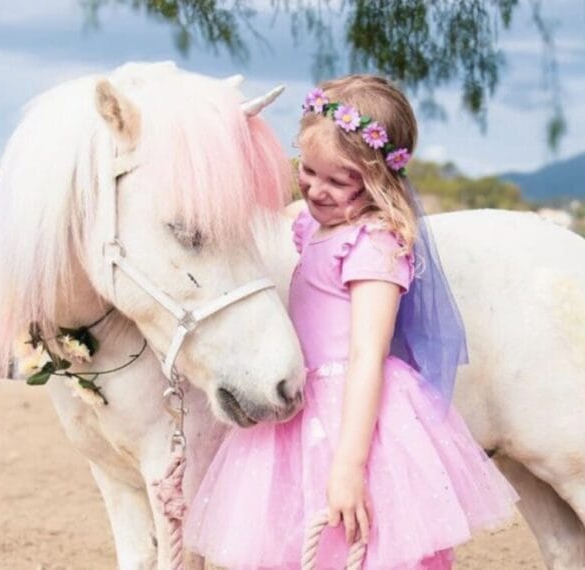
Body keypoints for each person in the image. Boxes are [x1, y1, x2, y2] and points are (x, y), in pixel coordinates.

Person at [184, 75, 518, 569]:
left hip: (352, 419)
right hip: (300, 410)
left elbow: (368, 355)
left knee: (361, 540)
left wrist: (349, 465)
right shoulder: (312, 227)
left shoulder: (374, 245)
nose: (316, 190)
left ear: (380, 179)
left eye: (338, 182)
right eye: (308, 170)